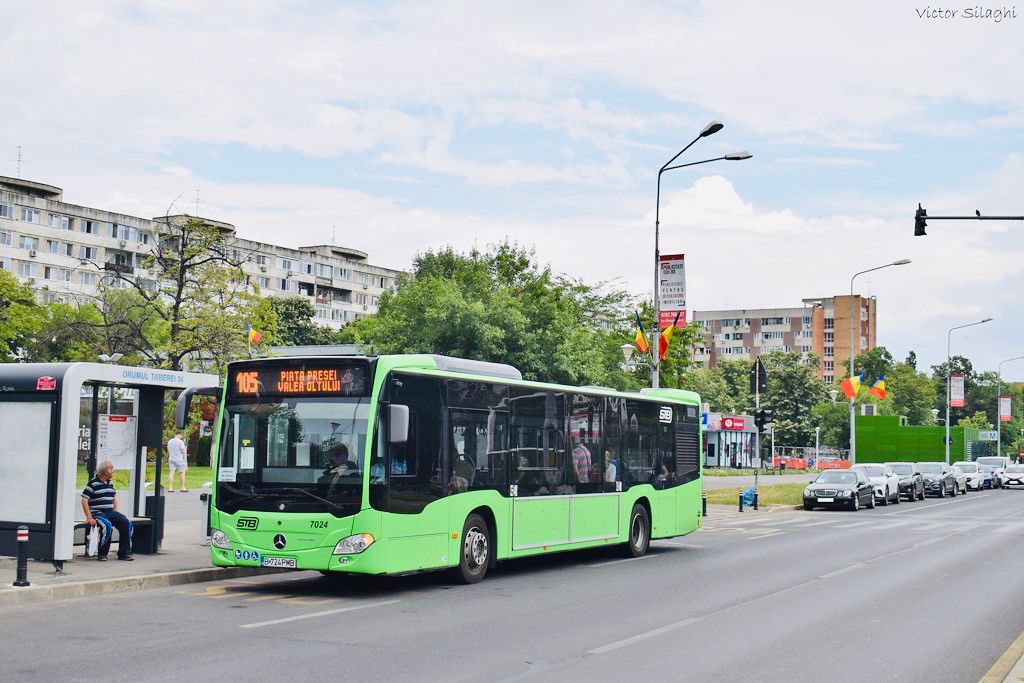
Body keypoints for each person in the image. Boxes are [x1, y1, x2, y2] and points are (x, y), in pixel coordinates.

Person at [81, 460, 133, 561]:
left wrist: (116, 510)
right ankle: (102, 553)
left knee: (127, 523)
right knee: (107, 526)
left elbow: (113, 497)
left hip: (110, 512)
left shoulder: (110, 483)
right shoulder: (93, 483)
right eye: (111, 468)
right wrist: (89, 517)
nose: (113, 470)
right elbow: (84, 500)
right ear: (105, 471)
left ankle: (124, 553)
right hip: (98, 513)